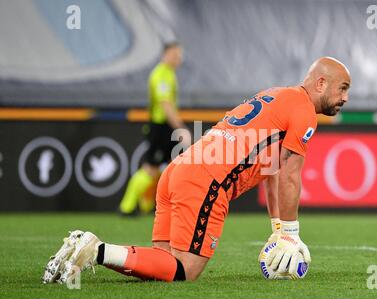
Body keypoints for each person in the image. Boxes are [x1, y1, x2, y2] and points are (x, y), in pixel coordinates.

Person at [43, 57, 351, 283]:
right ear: (321, 83)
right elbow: (290, 174)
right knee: (184, 271)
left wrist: (278, 230)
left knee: (161, 267)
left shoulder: (277, 96)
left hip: (178, 170)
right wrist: (293, 236)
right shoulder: (304, 112)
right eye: (343, 88)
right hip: (206, 181)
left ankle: (82, 251)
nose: (345, 98)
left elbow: (273, 171)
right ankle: (95, 249)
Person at [119, 41, 190, 216]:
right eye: (175, 54)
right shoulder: (162, 74)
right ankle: (127, 208)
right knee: (151, 167)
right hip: (160, 128)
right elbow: (165, 104)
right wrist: (180, 128)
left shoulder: (168, 73)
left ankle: (149, 205)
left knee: (169, 168)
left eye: (179, 55)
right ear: (165, 55)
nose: (178, 58)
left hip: (164, 127)